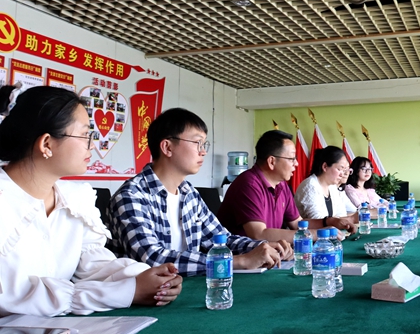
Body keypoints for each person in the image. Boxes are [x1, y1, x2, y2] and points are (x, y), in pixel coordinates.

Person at [0, 86, 182, 317]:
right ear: (47, 144)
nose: (92, 145)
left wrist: (142, 277)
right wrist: (123, 292)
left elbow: (94, 264)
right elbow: (12, 297)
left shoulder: (75, 199)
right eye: (85, 135)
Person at [108, 108, 292, 277]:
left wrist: (263, 247)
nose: (203, 152)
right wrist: (239, 261)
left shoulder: (188, 194)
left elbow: (222, 239)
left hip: (185, 289)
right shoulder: (131, 196)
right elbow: (153, 259)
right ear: (167, 147)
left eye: (204, 144)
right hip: (144, 298)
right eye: (197, 143)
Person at [217, 130, 357, 242]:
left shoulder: (281, 185)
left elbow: (297, 224)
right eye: (291, 159)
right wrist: (318, 234)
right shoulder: (249, 185)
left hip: (271, 255)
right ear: (272, 161)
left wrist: (329, 221)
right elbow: (259, 234)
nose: (296, 163)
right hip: (237, 260)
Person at [294, 146, 359, 223]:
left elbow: (341, 214)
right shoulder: (310, 187)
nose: (342, 174)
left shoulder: (332, 187)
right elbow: (318, 221)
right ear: (325, 167)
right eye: (339, 169)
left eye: (344, 170)